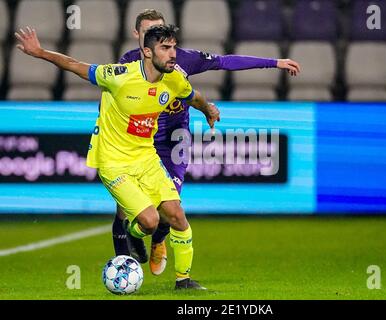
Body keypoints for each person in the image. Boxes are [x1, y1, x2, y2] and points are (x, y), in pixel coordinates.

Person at [15, 24, 219, 290]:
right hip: (113, 161)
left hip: (146, 157)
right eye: (165, 48)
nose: (173, 54)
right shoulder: (120, 76)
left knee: (176, 215)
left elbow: (194, 97)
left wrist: (208, 110)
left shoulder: (175, 79)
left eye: (174, 48)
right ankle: (136, 235)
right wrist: (39, 52)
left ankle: (184, 281)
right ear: (147, 51)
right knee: (150, 221)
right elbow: (75, 64)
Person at [113, 9, 301, 276]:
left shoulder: (182, 60)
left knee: (171, 205)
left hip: (173, 139)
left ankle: (158, 241)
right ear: (137, 36)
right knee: (123, 208)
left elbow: (225, 62)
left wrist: (274, 62)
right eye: (149, 32)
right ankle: (125, 265)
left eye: (161, 30)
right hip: (140, 140)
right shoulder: (128, 63)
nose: (158, 36)